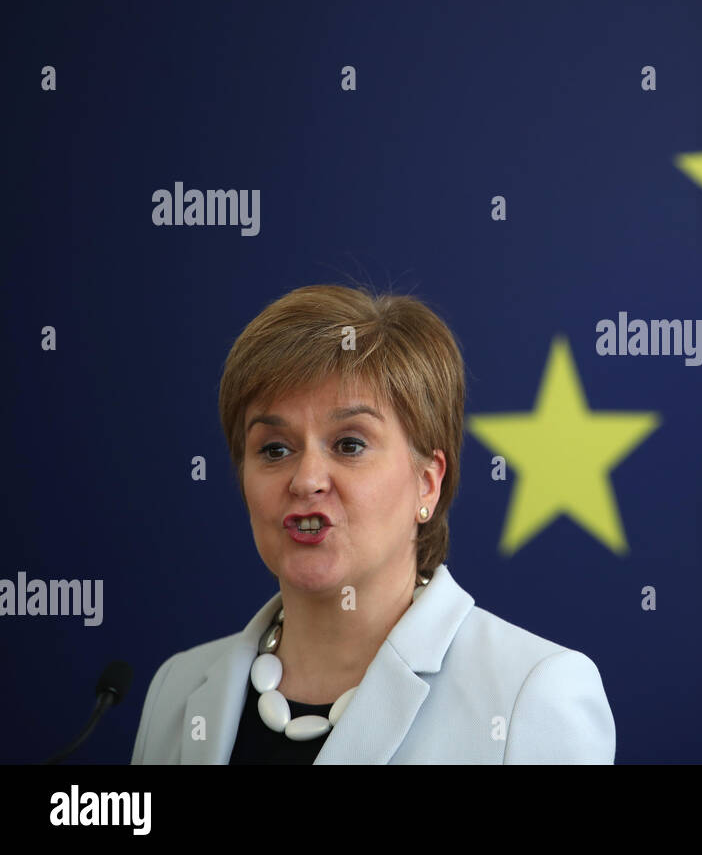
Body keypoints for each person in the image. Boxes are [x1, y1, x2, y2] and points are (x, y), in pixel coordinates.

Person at [130, 284, 615, 763]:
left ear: (427, 484)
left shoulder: (533, 694)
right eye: (275, 449)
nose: (306, 481)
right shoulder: (177, 687)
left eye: (349, 445)